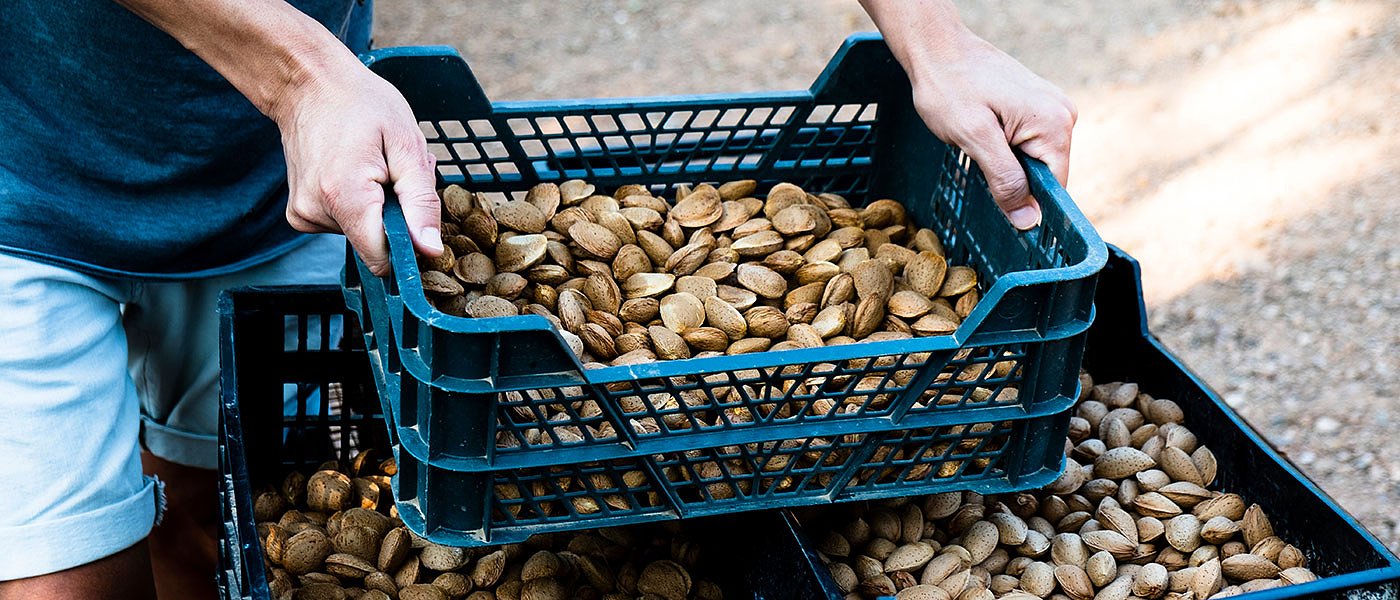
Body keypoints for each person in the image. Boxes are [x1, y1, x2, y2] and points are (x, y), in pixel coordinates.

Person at [0, 0, 1074, 598]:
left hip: (294, 180)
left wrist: (935, 38)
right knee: (70, 585)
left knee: (209, 505)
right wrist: (298, 75)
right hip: (24, 176)